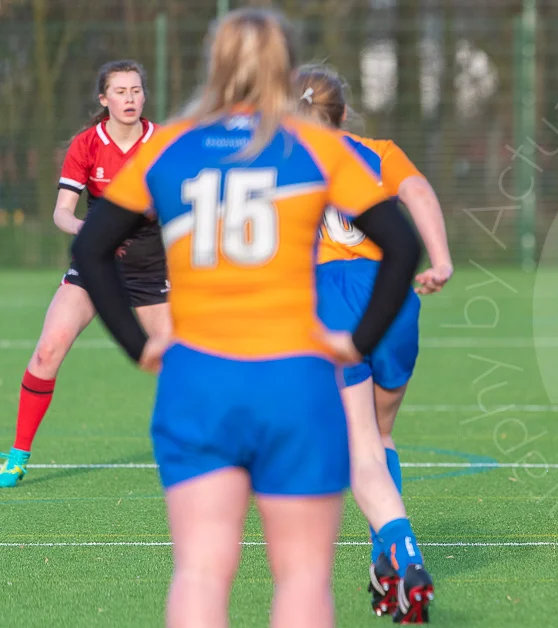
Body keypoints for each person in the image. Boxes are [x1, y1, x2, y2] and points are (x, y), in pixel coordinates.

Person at [69, 9, 423, 627]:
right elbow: (402, 245)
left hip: (198, 379)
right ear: (285, 71)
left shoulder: (170, 147)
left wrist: (138, 344)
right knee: (305, 581)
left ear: (216, 63)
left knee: (200, 573)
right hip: (296, 380)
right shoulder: (318, 146)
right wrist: (357, 340)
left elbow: (90, 247)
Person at [294, 65, 451, 620]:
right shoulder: (378, 150)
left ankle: (398, 551)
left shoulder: (284, 161)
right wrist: (442, 258)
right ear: (344, 110)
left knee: (355, 442)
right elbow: (419, 192)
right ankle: (385, 560)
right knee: (382, 432)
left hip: (329, 300)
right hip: (392, 296)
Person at [0, 60, 170, 487]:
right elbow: (62, 212)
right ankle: (18, 456)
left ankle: (201, 451)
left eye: (136, 91)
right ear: (103, 99)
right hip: (96, 265)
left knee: (176, 365)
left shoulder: (163, 143)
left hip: (151, 268)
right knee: (47, 350)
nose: (129, 99)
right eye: (120, 91)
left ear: (144, 96)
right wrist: (88, 233)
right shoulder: (86, 144)